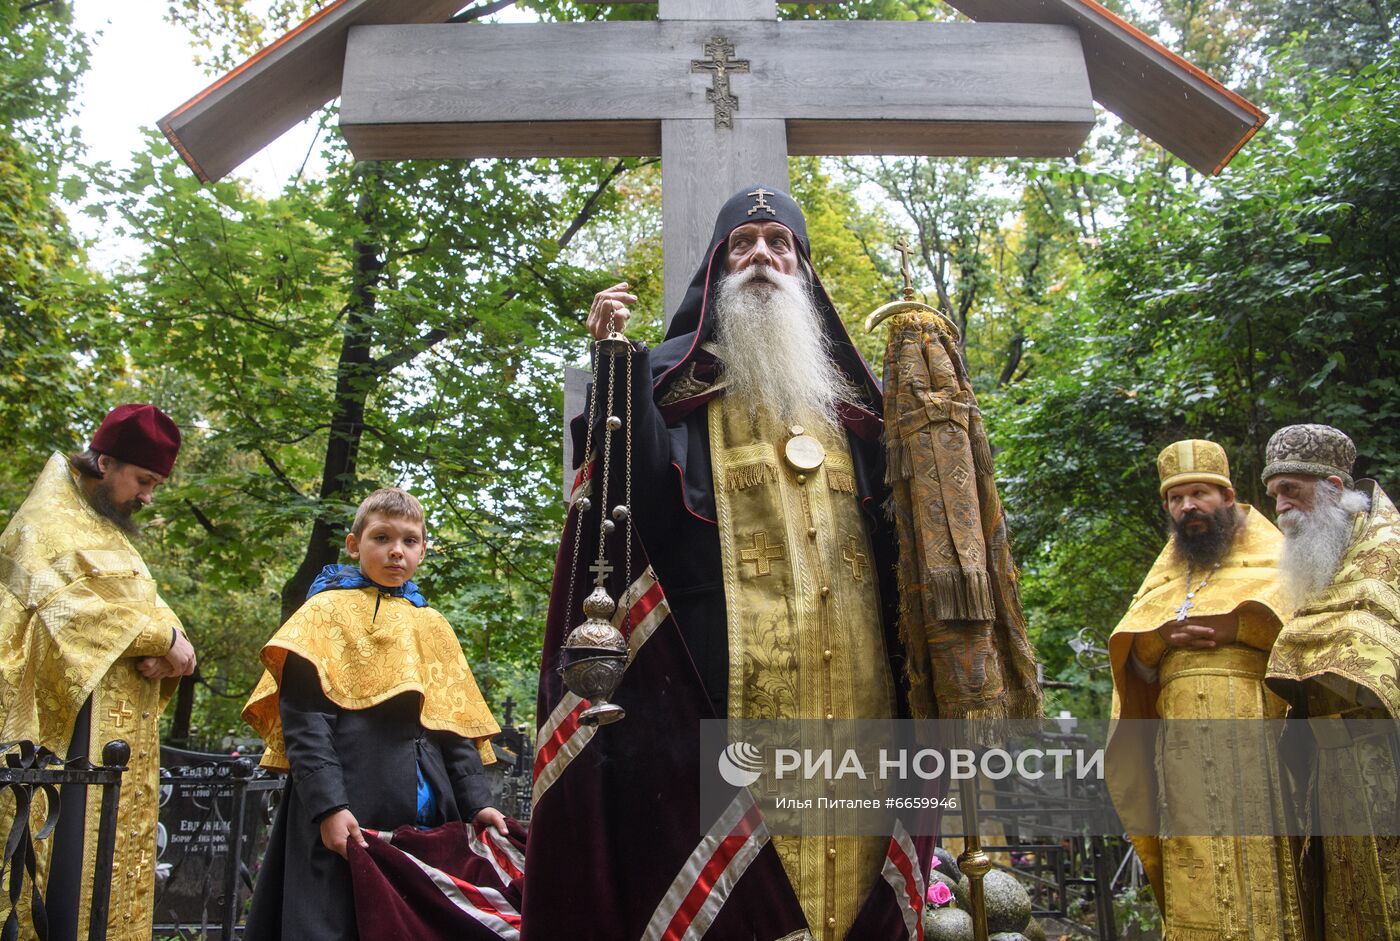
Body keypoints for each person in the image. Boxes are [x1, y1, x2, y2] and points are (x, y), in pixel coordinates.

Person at [528, 187, 1038, 941]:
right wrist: (616, 369)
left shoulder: (854, 410)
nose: (762, 255)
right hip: (714, 684)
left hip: (862, 704)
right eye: (744, 243)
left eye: (779, 243)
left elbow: (920, 535)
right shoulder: (673, 390)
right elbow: (630, 517)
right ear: (718, 269)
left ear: (803, 270)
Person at [242, 487, 504, 941]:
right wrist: (329, 806)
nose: (395, 551)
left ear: (422, 550)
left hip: (429, 815)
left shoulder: (433, 625)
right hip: (347, 810)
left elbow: (454, 726)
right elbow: (306, 721)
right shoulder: (321, 615)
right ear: (354, 544)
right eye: (381, 538)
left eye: (409, 540)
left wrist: (477, 802)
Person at [0, 404, 196, 941]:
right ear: (105, 461)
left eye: (156, 484)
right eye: (144, 480)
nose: (148, 496)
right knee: (61, 881)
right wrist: (161, 640)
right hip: (65, 737)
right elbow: (66, 609)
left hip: (119, 733)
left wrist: (174, 647)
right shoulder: (46, 524)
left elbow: (147, 604)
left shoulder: (108, 532)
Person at [1105, 439, 1309, 940]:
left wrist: (1235, 631)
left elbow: (1310, 635)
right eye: (1175, 498)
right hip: (1180, 751)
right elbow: (1134, 661)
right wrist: (1158, 640)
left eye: (1199, 493)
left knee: (1261, 848)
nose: (1187, 506)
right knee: (1189, 852)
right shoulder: (1168, 571)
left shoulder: (1280, 557)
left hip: (1258, 735)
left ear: (1229, 496)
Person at [1261, 424, 1399, 939]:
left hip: (1386, 756)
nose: (1280, 506)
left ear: (1334, 488)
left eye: (1290, 490)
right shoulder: (1323, 554)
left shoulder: (1389, 548)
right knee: (1342, 901)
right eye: (1274, 494)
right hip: (1332, 763)